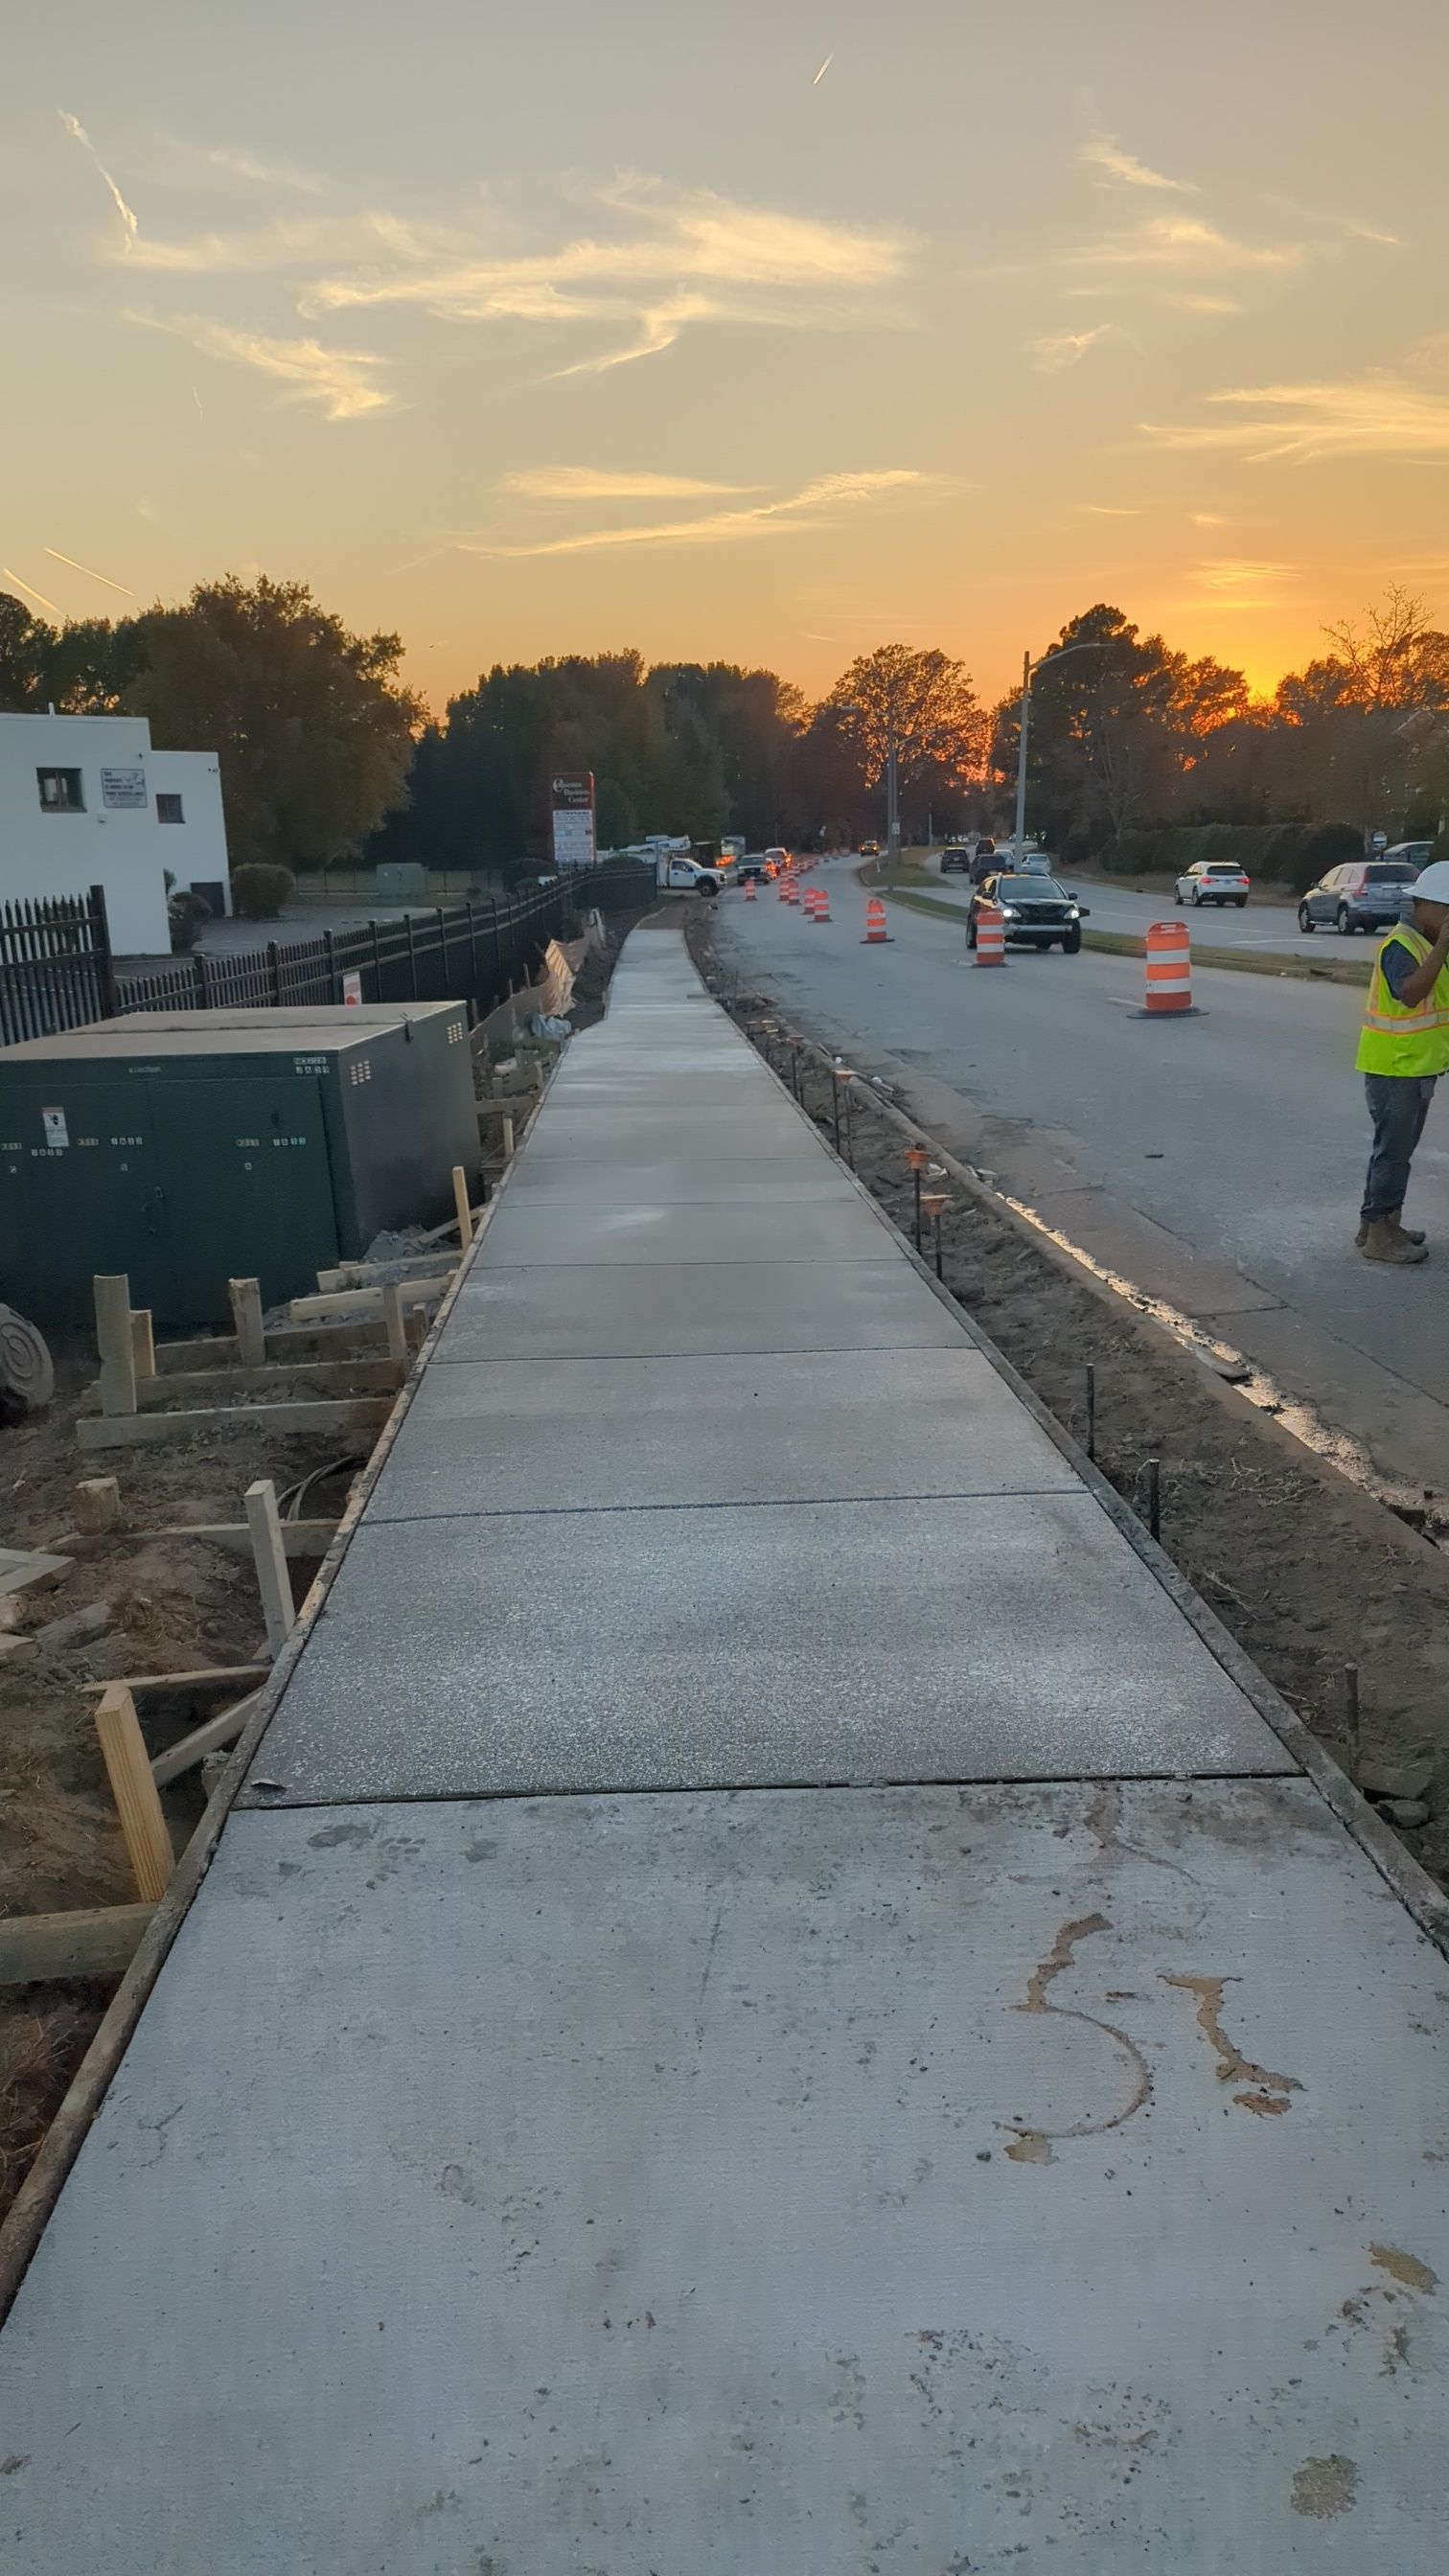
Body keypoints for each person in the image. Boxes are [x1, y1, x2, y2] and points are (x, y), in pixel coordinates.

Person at [1354, 857, 1449, 1263]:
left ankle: (1382, 1223)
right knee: (1392, 1153)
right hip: (1395, 1067)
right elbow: (1410, 993)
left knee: (1395, 1151)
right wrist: (1443, 945)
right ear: (1425, 905)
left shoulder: (1426, 945)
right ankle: (1379, 1236)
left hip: (1417, 1066)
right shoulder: (1402, 945)